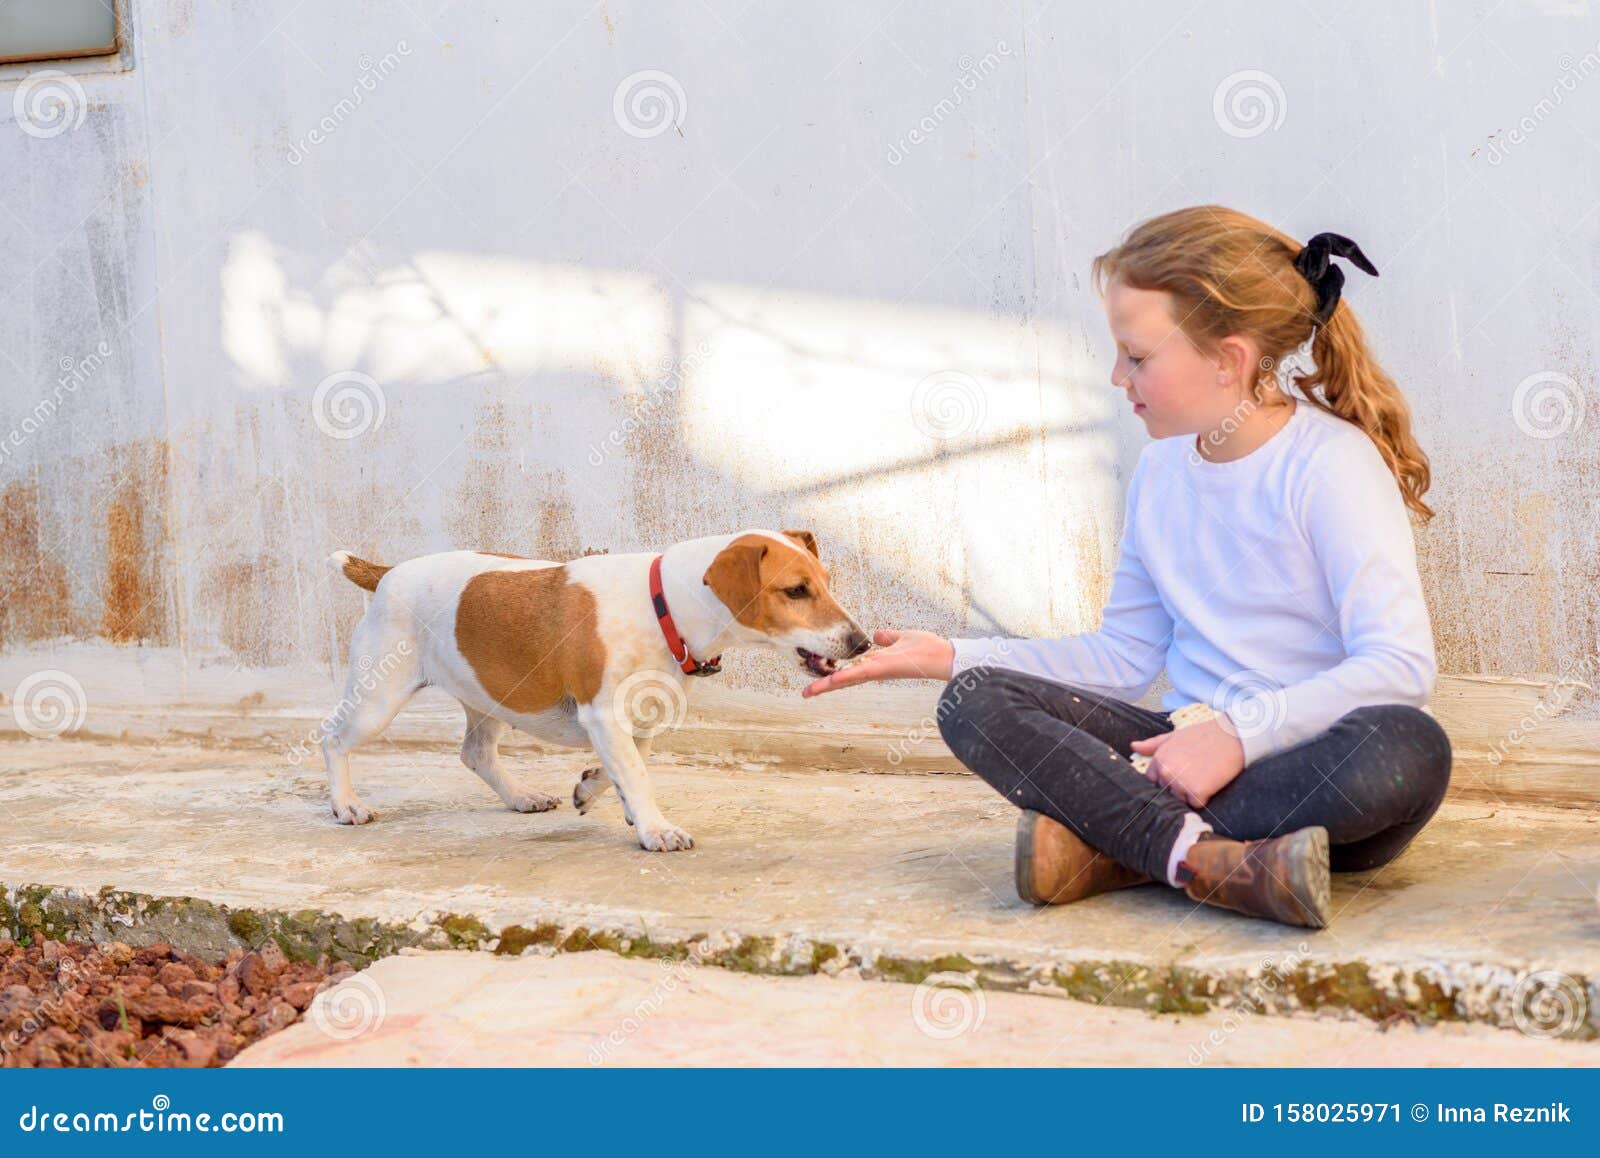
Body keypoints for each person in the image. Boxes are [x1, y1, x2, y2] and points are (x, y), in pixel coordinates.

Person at [802, 206, 1452, 929]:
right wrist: (948, 656)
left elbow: (1398, 666)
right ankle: (1202, 860)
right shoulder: (1160, 468)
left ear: (1229, 360)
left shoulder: (1329, 466)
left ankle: (1117, 847)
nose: (1118, 376)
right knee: (974, 699)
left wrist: (1239, 737)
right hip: (1173, 747)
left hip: (1301, 766)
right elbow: (1122, 657)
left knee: (1408, 749)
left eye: (1137, 357)